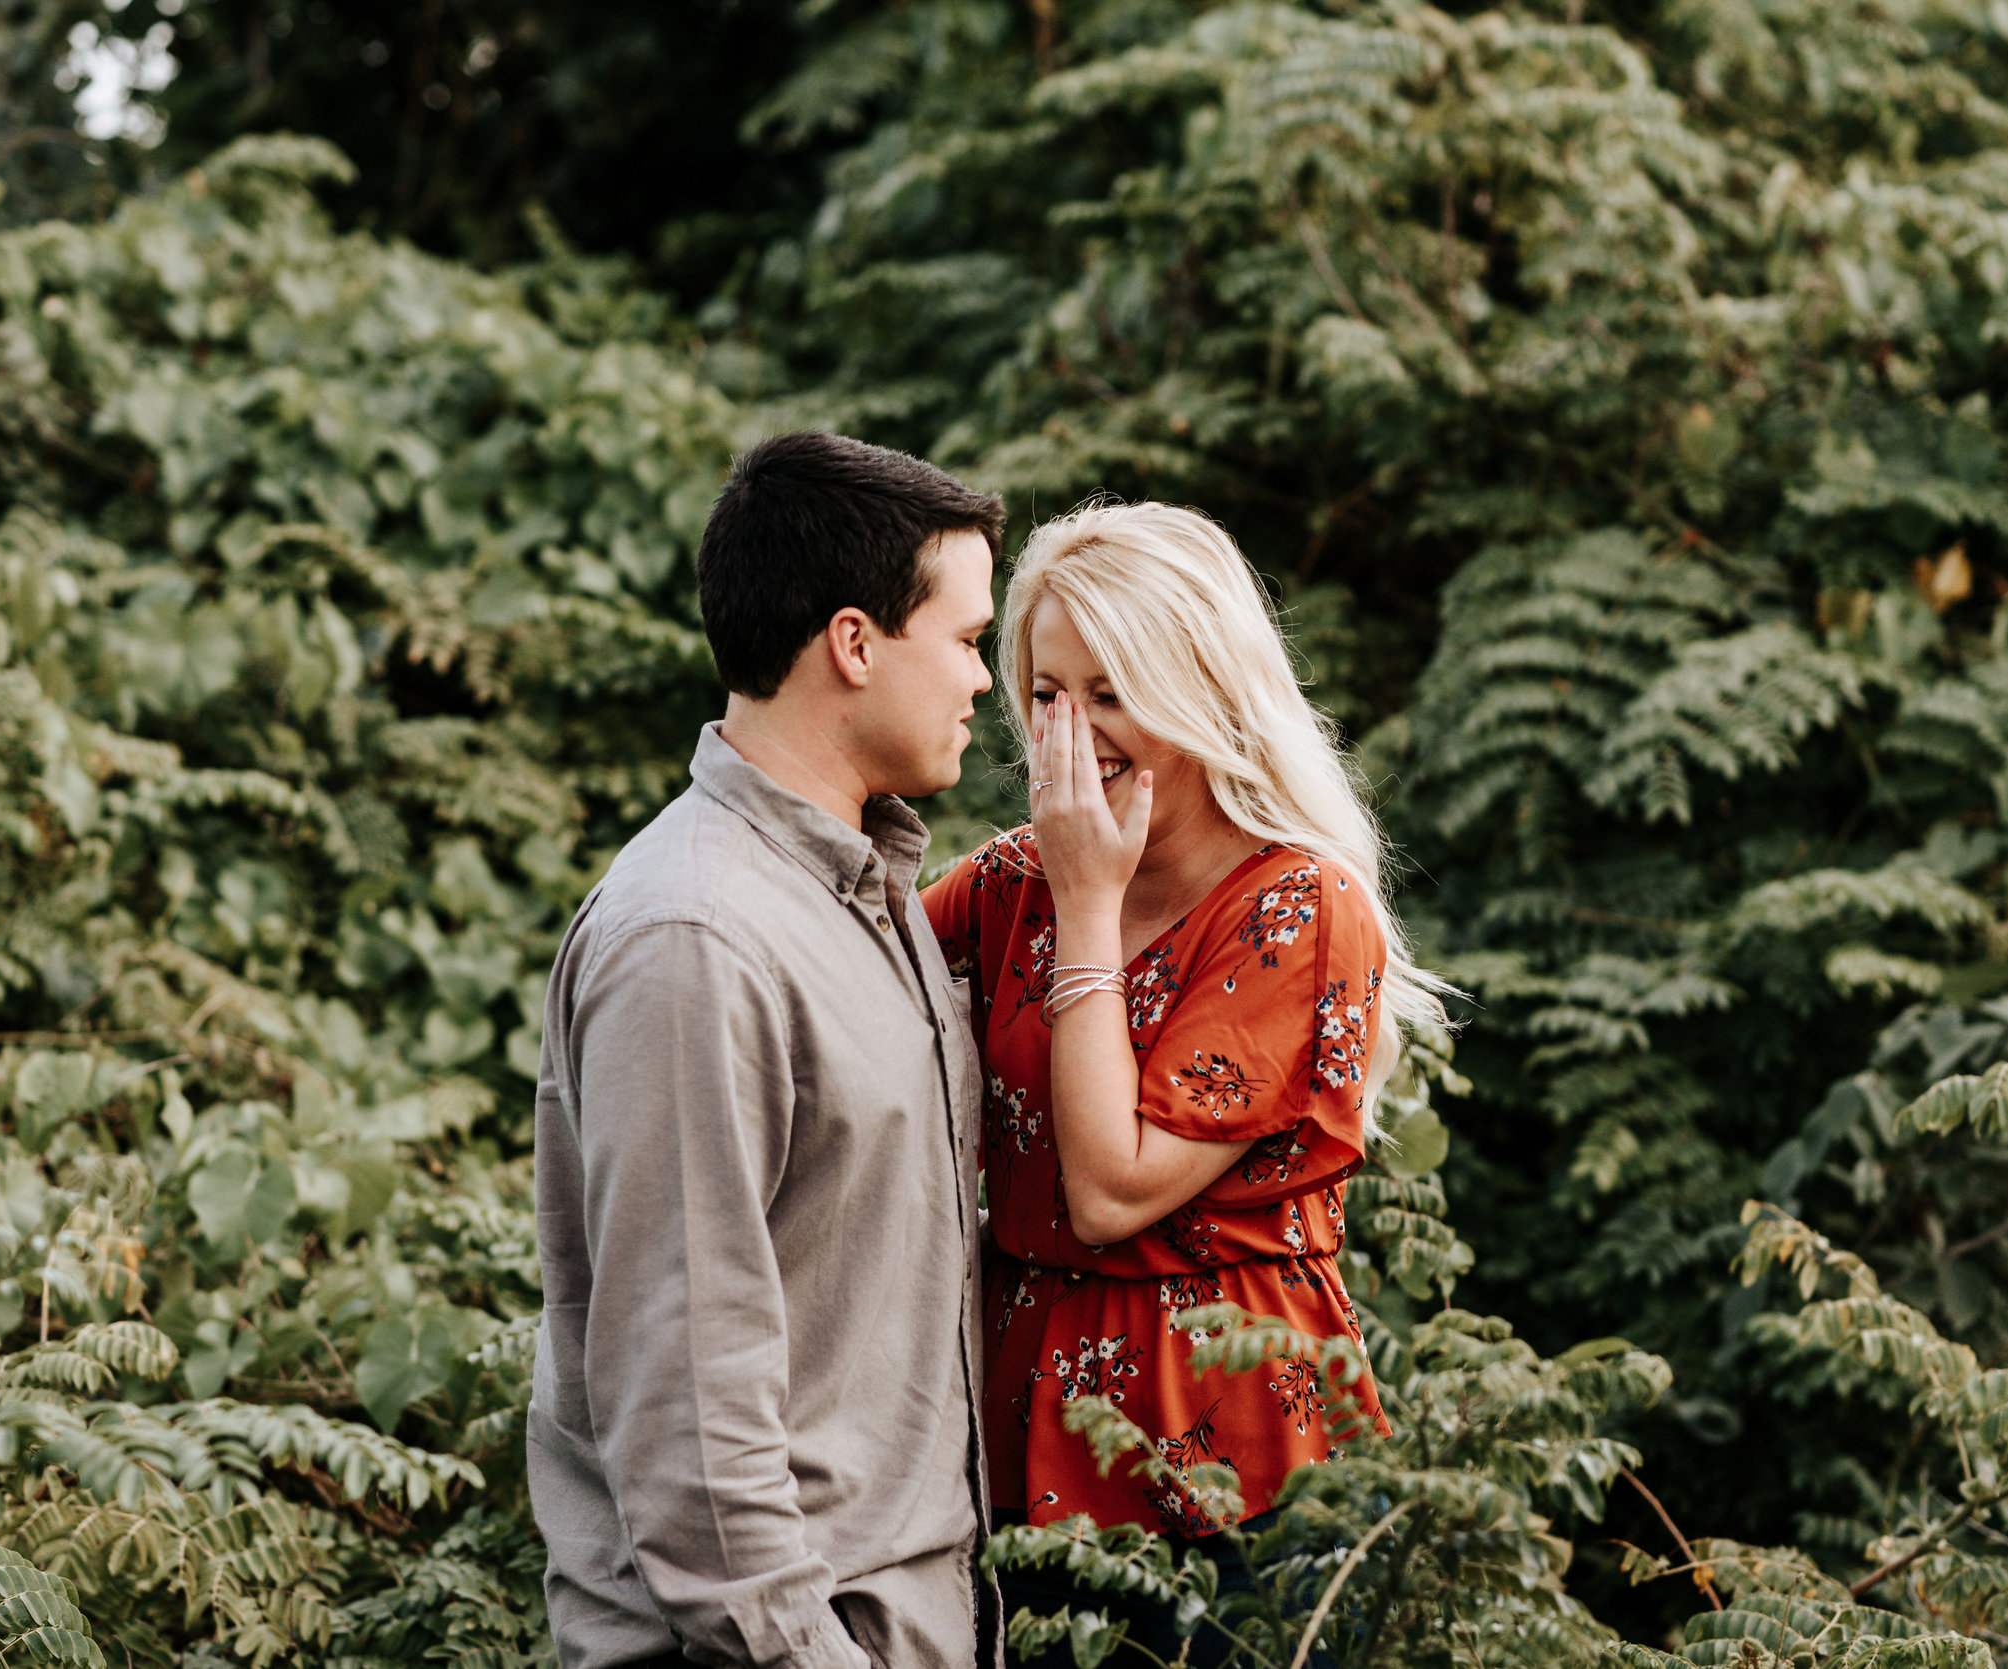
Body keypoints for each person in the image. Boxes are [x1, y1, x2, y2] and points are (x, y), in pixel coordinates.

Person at [920, 501, 1446, 1657]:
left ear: (1199, 693)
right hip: (1020, 1433)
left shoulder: (1298, 907)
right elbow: (845, 991)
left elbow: (1112, 1188)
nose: (1070, 734)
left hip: (1232, 1456)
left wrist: (1090, 908)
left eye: (1110, 695)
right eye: (1046, 695)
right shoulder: (1014, 879)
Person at [530, 432, 1003, 1669]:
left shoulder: (867, 885)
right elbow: (689, 1406)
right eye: (965, 638)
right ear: (854, 643)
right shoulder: (696, 935)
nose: (984, 681)